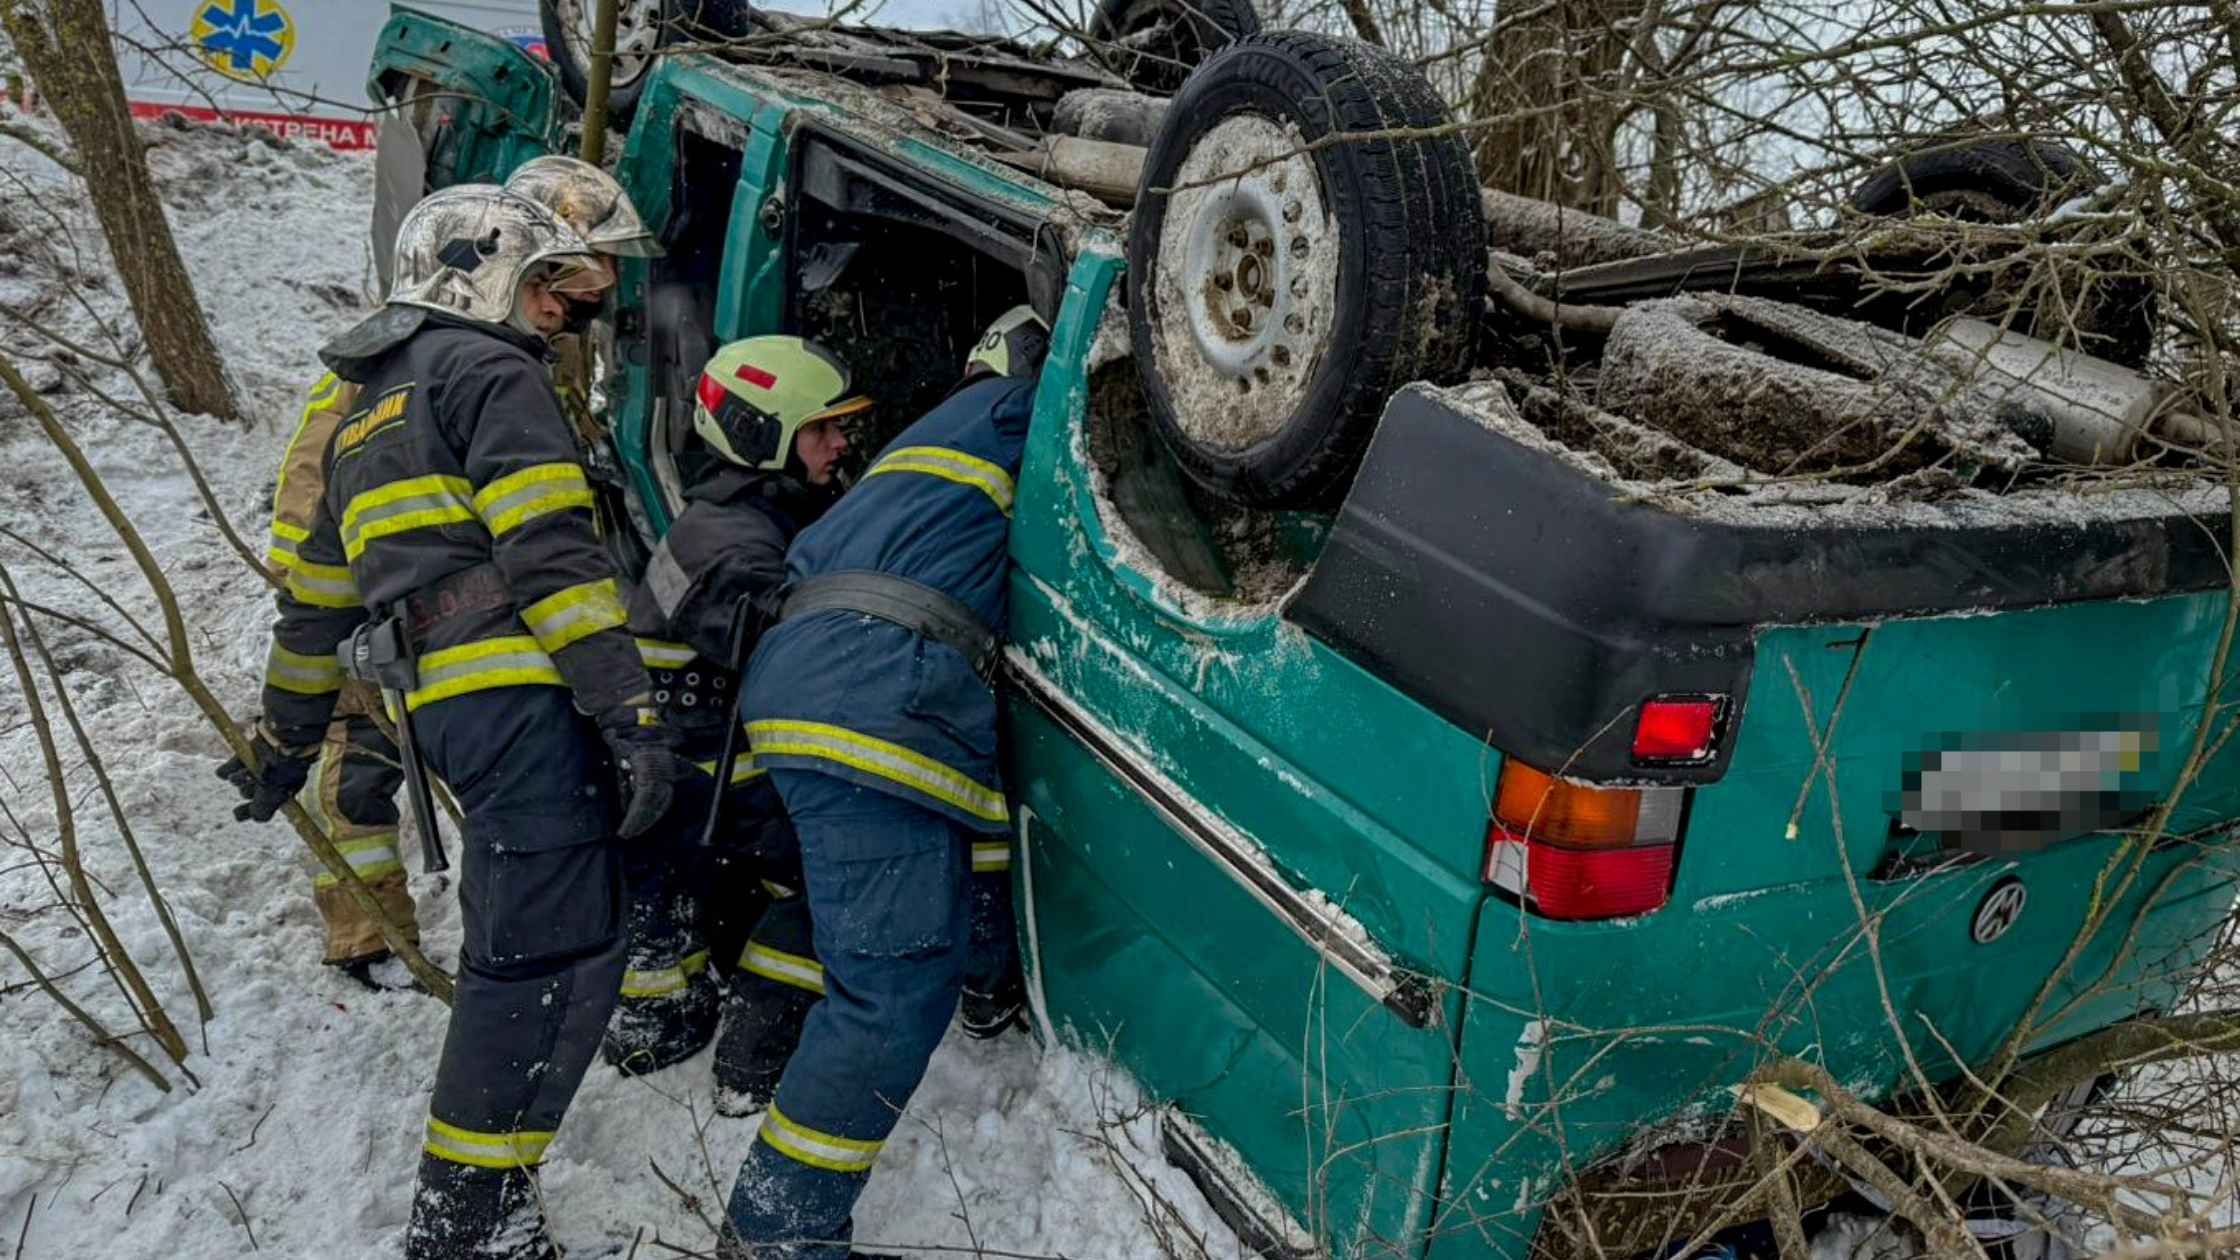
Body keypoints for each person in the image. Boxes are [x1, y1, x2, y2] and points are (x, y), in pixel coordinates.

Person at [221, 184, 686, 1260]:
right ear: (475, 273)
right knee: (540, 958)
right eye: (543, 285)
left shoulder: (360, 418)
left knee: (543, 936)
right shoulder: (489, 371)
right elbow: (553, 560)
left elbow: (314, 611)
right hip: (522, 697)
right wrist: (629, 708)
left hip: (446, 714)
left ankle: (480, 1208)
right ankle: (468, 1223)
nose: (561, 311)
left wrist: (285, 745)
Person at [237, 156, 659, 985]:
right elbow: (323, 519)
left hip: (402, 601)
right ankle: (367, 935)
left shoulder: (488, 356)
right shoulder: (427, 370)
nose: (589, 293)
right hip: (376, 599)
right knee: (362, 758)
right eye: (572, 272)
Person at [717, 306, 1049, 1260]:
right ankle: (779, 1231)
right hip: (875, 689)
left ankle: (984, 991)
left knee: (940, 864)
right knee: (890, 988)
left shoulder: (921, 446)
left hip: (808, 678)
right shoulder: (1018, 410)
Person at [602, 335, 863, 1077]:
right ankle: (753, 1050)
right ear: (762, 434)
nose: (840, 443)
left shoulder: (745, 517)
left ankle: (683, 996)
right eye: (821, 428)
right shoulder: (729, 550)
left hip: (703, 755)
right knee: (838, 865)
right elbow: (804, 655)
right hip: (702, 766)